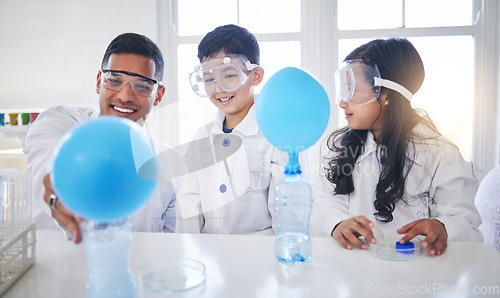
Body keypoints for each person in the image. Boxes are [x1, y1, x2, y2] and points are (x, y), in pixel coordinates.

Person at [310, 38, 482, 256]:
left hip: (419, 274)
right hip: (355, 270)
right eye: (343, 90)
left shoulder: (442, 155)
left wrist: (443, 227)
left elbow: (467, 225)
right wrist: (336, 224)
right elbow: (324, 204)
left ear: (385, 94)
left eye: (353, 89)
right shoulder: (339, 147)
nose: (342, 102)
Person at [24, 33, 177, 243]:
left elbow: (173, 247)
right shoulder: (60, 121)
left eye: (142, 85)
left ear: (158, 95)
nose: (124, 96)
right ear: (99, 82)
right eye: (114, 80)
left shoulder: (171, 165)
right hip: (49, 273)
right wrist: (59, 193)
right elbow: (47, 162)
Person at [174, 24, 293, 234]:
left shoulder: (277, 136)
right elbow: (188, 205)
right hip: (209, 258)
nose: (218, 88)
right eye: (209, 79)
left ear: (255, 76)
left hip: (260, 258)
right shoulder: (202, 137)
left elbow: (286, 215)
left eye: (229, 75)